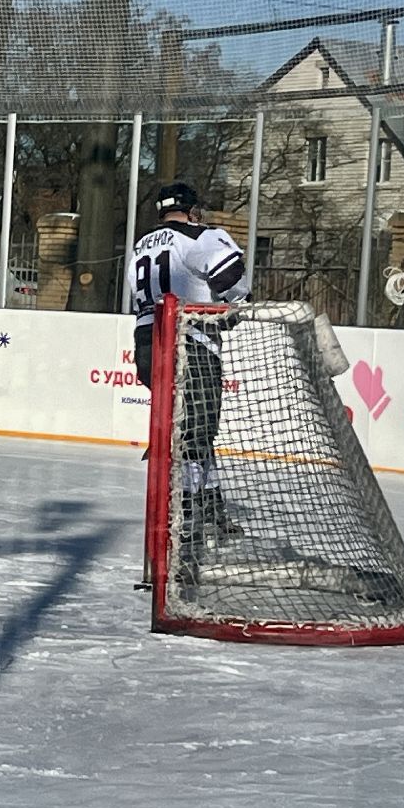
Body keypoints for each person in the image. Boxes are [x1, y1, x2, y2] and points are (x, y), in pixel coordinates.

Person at [125, 182, 249, 544]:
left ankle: (208, 506)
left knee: (187, 430)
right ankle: (188, 512)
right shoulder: (200, 236)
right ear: (192, 210)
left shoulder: (141, 245)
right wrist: (235, 305)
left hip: (148, 344)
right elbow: (230, 277)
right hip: (190, 343)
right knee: (196, 433)